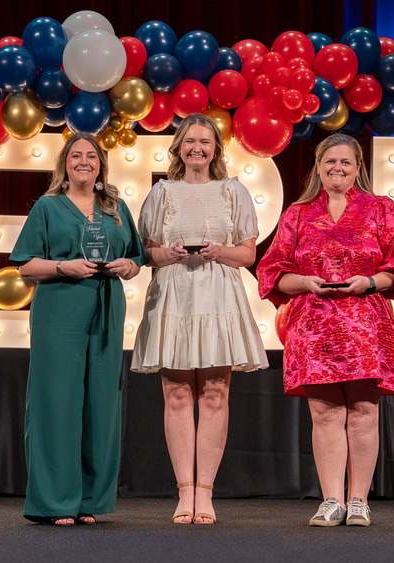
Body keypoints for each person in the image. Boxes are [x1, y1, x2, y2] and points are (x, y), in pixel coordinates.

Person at [256, 133, 394, 527]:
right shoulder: (297, 214)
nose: (338, 168)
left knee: (364, 411)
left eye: (346, 162)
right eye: (330, 161)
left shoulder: (381, 209)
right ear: (317, 166)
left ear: (358, 168)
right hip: (313, 327)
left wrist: (371, 281)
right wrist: (305, 282)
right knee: (326, 413)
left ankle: (359, 501)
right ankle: (331, 500)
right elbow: (272, 270)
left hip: (366, 326)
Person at [131, 113, 268, 524]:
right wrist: (166, 254)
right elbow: (146, 253)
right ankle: (184, 493)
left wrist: (218, 252)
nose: (197, 148)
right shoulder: (162, 192)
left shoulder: (233, 191)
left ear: (216, 149)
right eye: (189, 141)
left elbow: (248, 254)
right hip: (174, 295)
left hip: (217, 294)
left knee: (213, 394)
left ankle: (205, 493)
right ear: (178, 147)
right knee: (176, 395)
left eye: (205, 142)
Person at [11, 132, 146, 526]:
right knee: (57, 403)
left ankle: (89, 500)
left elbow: (135, 257)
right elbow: (24, 265)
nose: (84, 161)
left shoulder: (116, 207)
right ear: (65, 163)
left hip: (106, 309)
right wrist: (61, 267)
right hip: (59, 309)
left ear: (101, 164)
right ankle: (54, 503)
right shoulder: (48, 207)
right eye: (76, 155)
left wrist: (129, 267)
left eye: (91, 156)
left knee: (101, 404)